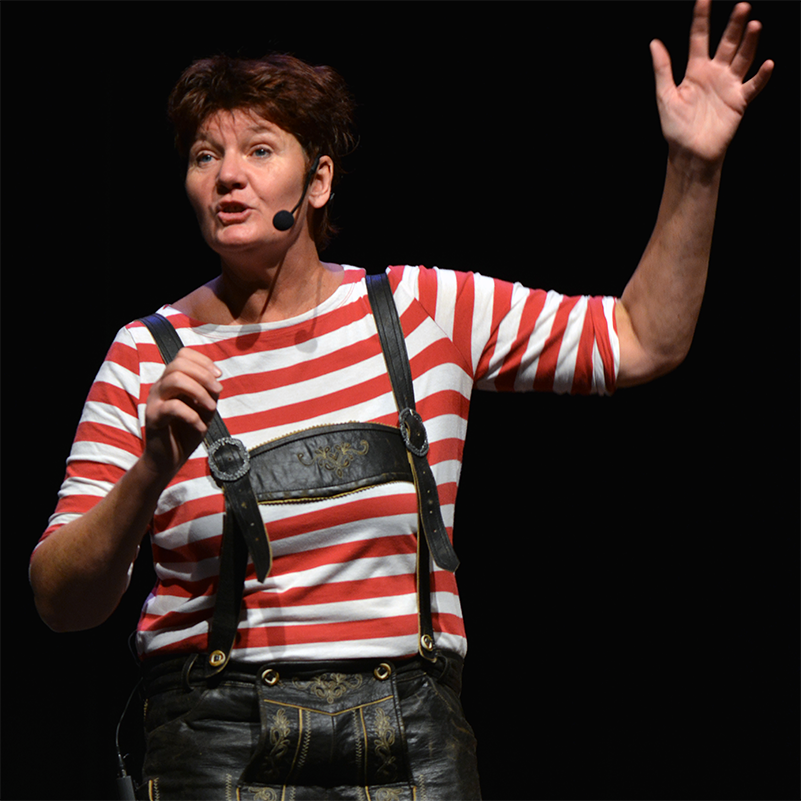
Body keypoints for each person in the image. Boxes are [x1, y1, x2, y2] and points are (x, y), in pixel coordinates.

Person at [29, 2, 773, 798]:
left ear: (318, 180)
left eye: (258, 149)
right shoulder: (146, 353)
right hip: (216, 743)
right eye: (204, 155)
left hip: (409, 738)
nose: (227, 175)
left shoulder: (421, 311)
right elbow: (61, 601)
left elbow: (638, 338)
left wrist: (694, 169)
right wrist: (150, 469)